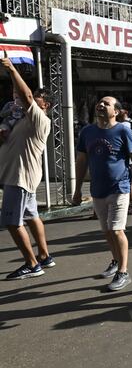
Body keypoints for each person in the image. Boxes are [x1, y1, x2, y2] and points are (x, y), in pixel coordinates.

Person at [72, 96, 132, 291]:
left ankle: (123, 272)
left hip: (120, 187)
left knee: (117, 229)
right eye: (100, 102)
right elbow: (81, 161)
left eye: (106, 103)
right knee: (107, 231)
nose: (101, 105)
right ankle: (116, 261)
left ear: (116, 111)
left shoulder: (124, 131)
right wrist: (77, 190)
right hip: (97, 190)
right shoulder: (87, 132)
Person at [0, 57, 54, 279]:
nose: (24, 102)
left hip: (20, 178)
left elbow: (26, 96)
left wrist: (12, 70)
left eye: (36, 99)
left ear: (45, 106)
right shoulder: (20, 118)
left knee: (12, 223)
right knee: (32, 216)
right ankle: (44, 256)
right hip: (19, 177)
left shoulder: (39, 119)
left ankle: (32, 264)